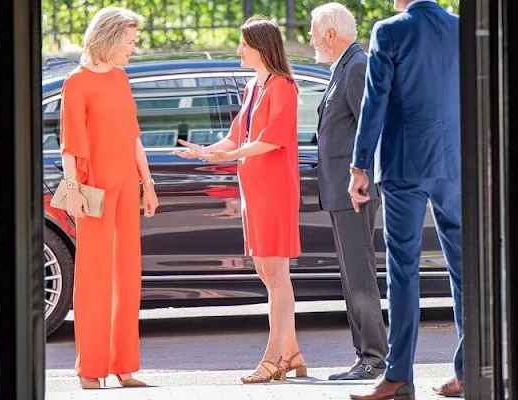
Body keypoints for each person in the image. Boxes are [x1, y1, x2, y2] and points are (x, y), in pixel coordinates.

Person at [174, 16, 305, 384]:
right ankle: (292, 352)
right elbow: (236, 138)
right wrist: (204, 152)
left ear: (261, 47)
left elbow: (269, 141)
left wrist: (224, 156)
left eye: (243, 44)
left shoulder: (283, 87)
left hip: (275, 189)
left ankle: (274, 359)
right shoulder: (253, 87)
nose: (239, 50)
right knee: (267, 273)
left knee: (276, 275)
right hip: (254, 190)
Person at [347, 0, 462, 398]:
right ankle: (469, 370)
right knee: (465, 271)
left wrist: (359, 165)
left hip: (403, 163)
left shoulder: (389, 30)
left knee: (403, 271)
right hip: (455, 163)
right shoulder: (460, 28)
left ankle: (398, 376)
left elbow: (374, 100)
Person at [59, 6, 159, 390]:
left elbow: (133, 135)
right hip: (94, 190)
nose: (133, 49)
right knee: (94, 280)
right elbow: (70, 144)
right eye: (130, 42)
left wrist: (148, 184)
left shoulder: (120, 78)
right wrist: (73, 190)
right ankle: (91, 369)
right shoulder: (76, 82)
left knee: (127, 279)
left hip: (126, 187)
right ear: (111, 38)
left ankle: (125, 366)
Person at [310, 2, 388, 381]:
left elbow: (372, 128)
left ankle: (374, 358)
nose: (311, 39)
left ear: (329, 33)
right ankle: (365, 356)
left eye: (313, 31)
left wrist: (362, 177)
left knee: (359, 275)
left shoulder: (356, 66)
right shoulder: (343, 66)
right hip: (341, 190)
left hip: (354, 191)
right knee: (351, 275)